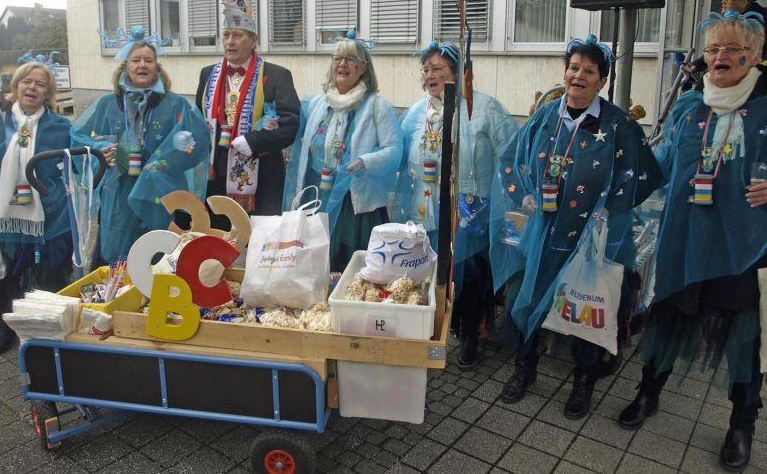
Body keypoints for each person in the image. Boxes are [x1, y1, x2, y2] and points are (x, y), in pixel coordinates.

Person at [618, 10, 767, 471]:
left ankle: (742, 424)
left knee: (743, 340)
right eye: (713, 49)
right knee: (668, 320)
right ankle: (649, 393)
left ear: (755, 56)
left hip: (742, 248)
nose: (721, 56)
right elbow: (658, 165)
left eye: (732, 49)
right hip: (684, 240)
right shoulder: (688, 105)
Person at [495, 35, 662, 419]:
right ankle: (525, 368)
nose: (578, 76)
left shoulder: (618, 124)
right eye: (573, 68)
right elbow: (511, 158)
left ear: (601, 81)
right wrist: (523, 193)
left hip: (592, 240)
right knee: (532, 296)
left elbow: (646, 174)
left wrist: (610, 208)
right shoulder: (546, 115)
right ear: (565, 72)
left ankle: (583, 381)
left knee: (588, 307)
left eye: (589, 71)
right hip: (545, 233)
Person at [392, 41, 517, 367]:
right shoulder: (418, 112)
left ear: (460, 72)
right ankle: (432, 330)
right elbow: (399, 153)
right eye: (427, 69)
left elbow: (512, 157)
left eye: (439, 68)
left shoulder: (486, 109)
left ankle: (469, 334)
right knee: (431, 274)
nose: (431, 75)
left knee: (469, 276)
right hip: (425, 210)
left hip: (470, 212)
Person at [71, 27, 210, 265]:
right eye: (135, 60)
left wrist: (166, 159)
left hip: (161, 191)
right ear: (125, 67)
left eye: (148, 60)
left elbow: (199, 141)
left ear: (157, 67)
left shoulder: (176, 104)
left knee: (159, 251)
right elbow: (78, 138)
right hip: (119, 192)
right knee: (118, 254)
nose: (142, 65)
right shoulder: (107, 103)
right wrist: (101, 149)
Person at [283, 31, 402, 271]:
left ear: (363, 68)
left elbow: (395, 150)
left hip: (354, 201)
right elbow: (301, 142)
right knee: (315, 260)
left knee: (348, 264)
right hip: (317, 194)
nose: (343, 64)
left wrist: (365, 161)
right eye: (337, 58)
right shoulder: (317, 103)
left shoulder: (379, 107)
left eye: (350, 59)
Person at [196, 0, 300, 220]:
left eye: (237, 35)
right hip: (216, 167)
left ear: (253, 41)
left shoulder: (276, 75)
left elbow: (290, 126)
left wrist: (254, 141)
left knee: (259, 236)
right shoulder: (207, 73)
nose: (230, 41)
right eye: (226, 35)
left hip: (261, 168)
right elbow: (197, 118)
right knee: (217, 230)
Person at [0, 62, 73, 353]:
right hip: (2, 216)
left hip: (47, 216)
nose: (32, 88)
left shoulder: (60, 126)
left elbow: (78, 157)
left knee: (48, 274)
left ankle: (46, 331)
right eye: (27, 81)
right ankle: (7, 326)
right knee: (3, 274)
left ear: (48, 92)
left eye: (40, 84)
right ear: (16, 86)